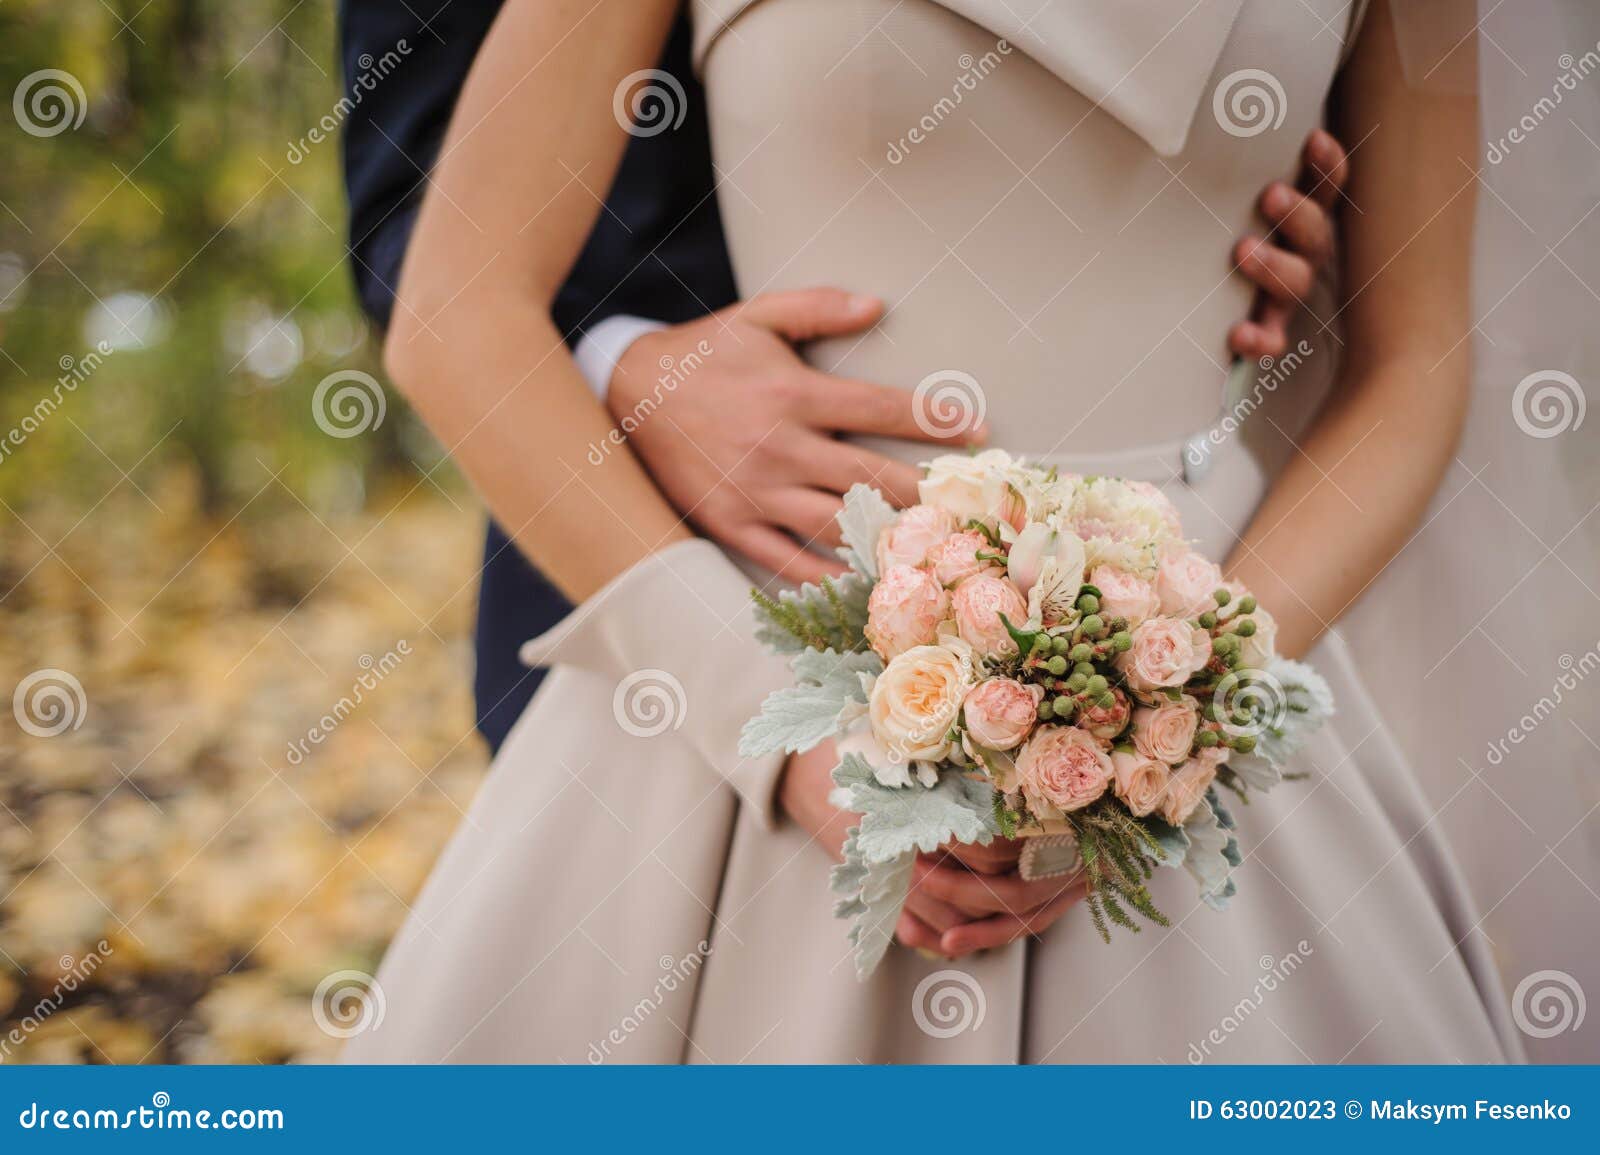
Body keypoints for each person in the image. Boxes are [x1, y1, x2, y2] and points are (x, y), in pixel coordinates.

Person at [344, 0, 1520, 1062]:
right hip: (763, 644)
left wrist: (1189, 704)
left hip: (1211, 652)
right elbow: (457, 309)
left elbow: (1417, 361)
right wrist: (779, 737)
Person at [339, 0, 1348, 750]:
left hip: (1212, 589)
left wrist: (1284, 248)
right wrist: (633, 374)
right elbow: (433, 242)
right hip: (713, 590)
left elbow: (1415, 272)